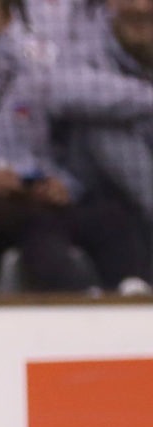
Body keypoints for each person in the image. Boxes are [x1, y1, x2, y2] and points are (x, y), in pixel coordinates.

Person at [0, 0, 145, 288]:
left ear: (5, 22)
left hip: (37, 201)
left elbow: (48, 149)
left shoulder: (27, 79)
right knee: (39, 230)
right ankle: (84, 305)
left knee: (111, 218)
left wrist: (60, 185)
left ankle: (135, 295)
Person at [49, 0, 153, 290]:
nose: (141, 8)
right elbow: (63, 91)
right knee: (101, 124)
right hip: (86, 193)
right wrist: (147, 100)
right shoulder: (88, 39)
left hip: (139, 199)